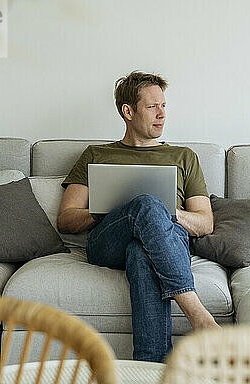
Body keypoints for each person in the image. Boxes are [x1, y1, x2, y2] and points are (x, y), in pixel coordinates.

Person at [57, 71, 219, 362]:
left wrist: (162, 214)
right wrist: (110, 209)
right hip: (108, 242)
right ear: (128, 111)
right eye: (152, 106)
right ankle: (198, 315)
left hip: (164, 243)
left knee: (141, 250)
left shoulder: (184, 157)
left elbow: (205, 222)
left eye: (164, 106)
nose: (162, 114)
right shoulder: (96, 154)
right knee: (145, 204)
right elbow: (66, 219)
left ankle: (149, 369)